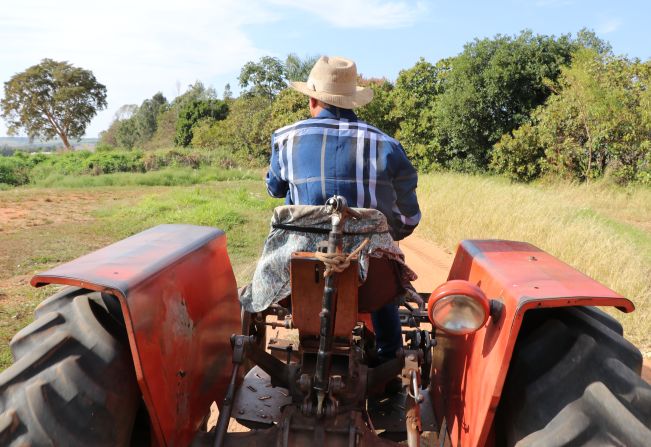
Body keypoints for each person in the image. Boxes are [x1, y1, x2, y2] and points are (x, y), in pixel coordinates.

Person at [266, 55, 421, 361]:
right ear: (352, 102)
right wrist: (388, 231)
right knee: (381, 265)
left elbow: (274, 189)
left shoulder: (285, 139)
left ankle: (308, 339)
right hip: (370, 283)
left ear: (313, 100)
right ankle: (389, 351)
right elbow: (409, 215)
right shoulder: (387, 145)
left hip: (299, 269)